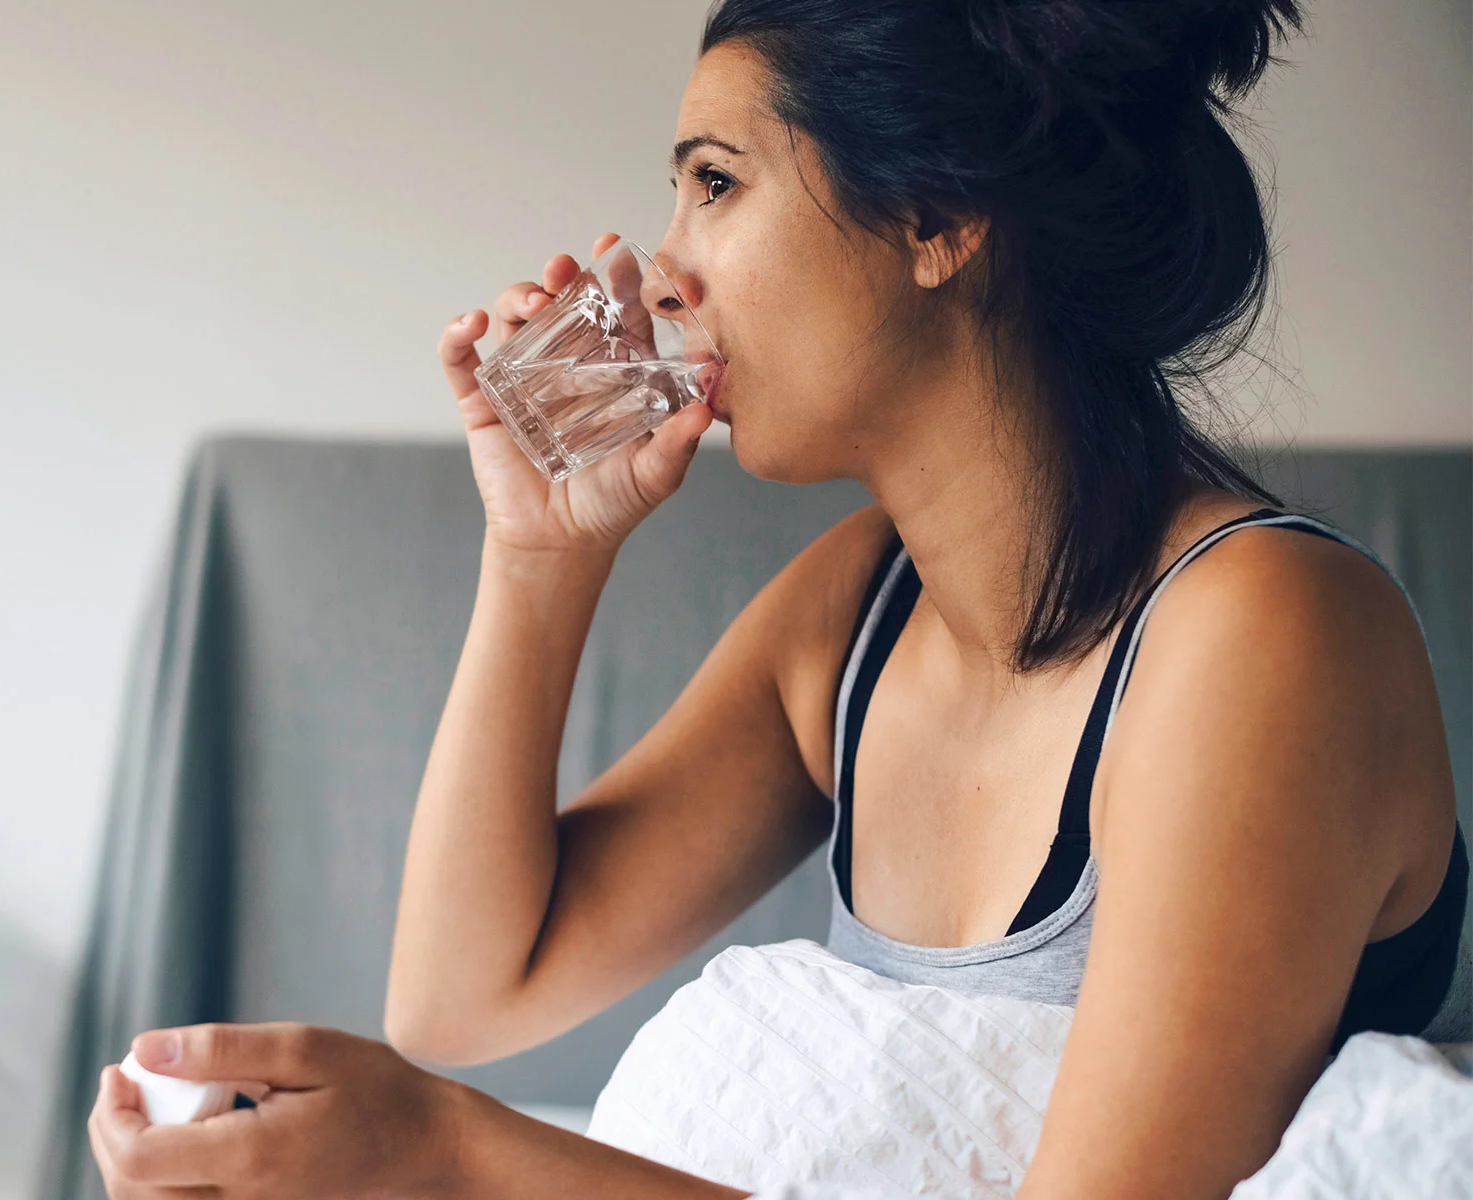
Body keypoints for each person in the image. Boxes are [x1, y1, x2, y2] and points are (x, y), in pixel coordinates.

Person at [86, 1, 1467, 1195]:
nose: (663, 266)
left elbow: (447, 1086)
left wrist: (457, 1158)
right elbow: (461, 993)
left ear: (935, 215)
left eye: (715, 182)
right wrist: (541, 556)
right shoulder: (859, 613)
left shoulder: (1265, 634)